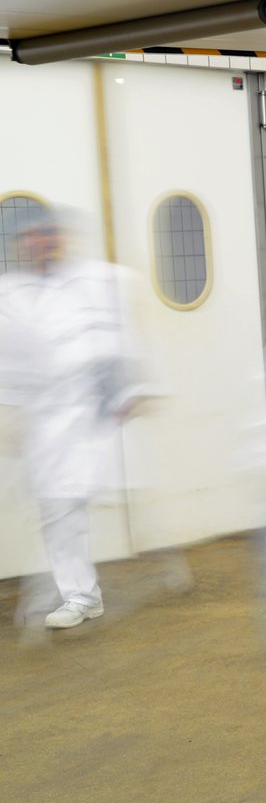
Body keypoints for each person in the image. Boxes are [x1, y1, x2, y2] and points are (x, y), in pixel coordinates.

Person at [0, 208, 146, 632]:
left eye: (44, 234)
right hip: (45, 421)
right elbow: (11, 359)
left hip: (87, 414)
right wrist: (10, 414)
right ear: (19, 245)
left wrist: (123, 393)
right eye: (28, 237)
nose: (38, 242)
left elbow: (112, 340)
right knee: (57, 509)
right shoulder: (14, 291)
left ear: (57, 237)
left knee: (73, 504)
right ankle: (82, 594)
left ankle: (83, 592)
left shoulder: (92, 281)